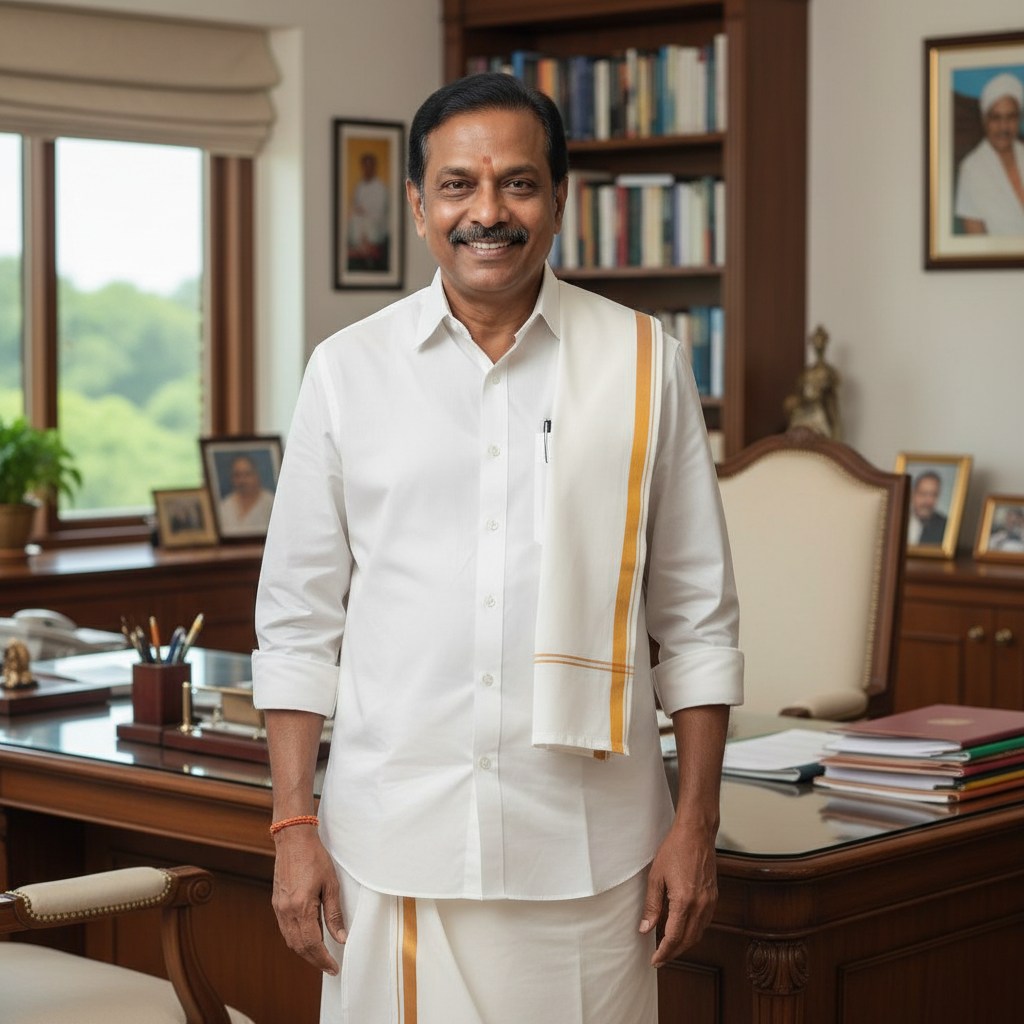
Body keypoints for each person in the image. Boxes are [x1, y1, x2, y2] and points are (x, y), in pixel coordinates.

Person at [253, 72, 743, 1024]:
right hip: (389, 850)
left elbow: (697, 620)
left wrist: (697, 824)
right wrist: (292, 827)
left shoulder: (647, 365)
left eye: (518, 183)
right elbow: (298, 622)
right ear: (418, 203)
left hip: (590, 858)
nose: (488, 211)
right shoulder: (348, 372)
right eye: (458, 186)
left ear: (560, 198)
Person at [954, 71, 1024, 236]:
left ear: (1019, 119)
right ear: (984, 120)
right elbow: (975, 242)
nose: (1003, 127)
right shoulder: (971, 169)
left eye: (1010, 117)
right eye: (995, 118)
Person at [347, 152, 390, 271]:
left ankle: (369, 254)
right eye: (365, 166)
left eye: (369, 166)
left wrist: (365, 211)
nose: (367, 169)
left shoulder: (380, 186)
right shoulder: (359, 185)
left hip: (375, 222)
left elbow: (380, 210)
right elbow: (355, 204)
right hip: (360, 219)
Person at [217, 454, 275, 536]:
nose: (242, 480)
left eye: (247, 474)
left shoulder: (271, 503)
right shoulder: (224, 506)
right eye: (237, 475)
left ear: (256, 475)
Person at [908, 470, 947, 546]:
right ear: (913, 494)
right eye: (923, 494)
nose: (928, 501)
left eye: (933, 495)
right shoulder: (896, 520)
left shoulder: (946, 526)